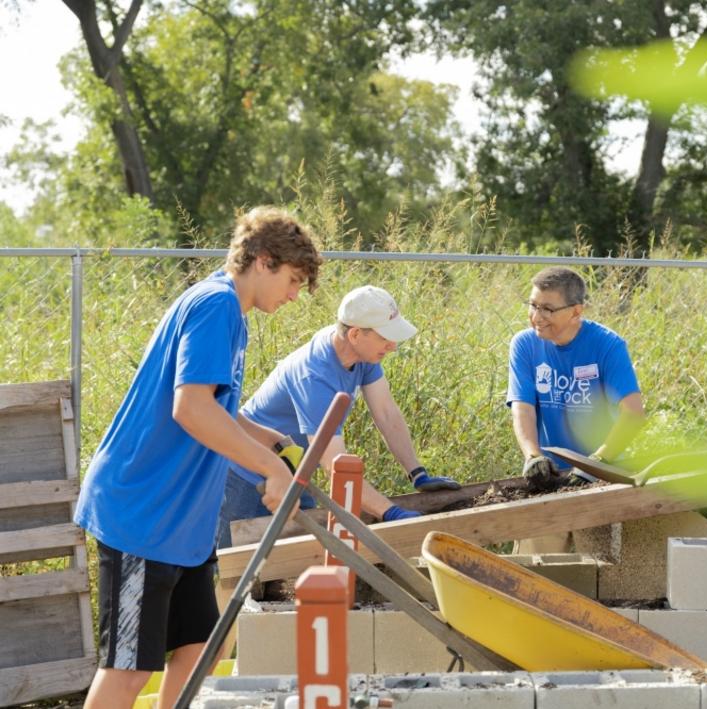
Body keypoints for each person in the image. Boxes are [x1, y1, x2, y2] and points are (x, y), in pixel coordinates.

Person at [74, 207, 322, 708]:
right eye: (293, 281)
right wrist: (268, 467)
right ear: (263, 260)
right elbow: (190, 409)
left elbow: (219, 409)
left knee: (203, 647)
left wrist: (276, 443)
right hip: (142, 511)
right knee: (129, 667)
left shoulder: (229, 313)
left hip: (180, 522)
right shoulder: (216, 306)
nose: (294, 295)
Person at [216, 285, 460, 550]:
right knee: (234, 569)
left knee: (291, 567)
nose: (393, 346)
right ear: (355, 334)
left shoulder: (359, 354)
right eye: (385, 338)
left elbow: (386, 412)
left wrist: (417, 473)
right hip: (246, 476)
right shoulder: (315, 376)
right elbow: (334, 465)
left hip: (292, 474)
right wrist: (391, 512)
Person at [507, 266, 646, 490]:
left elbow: (634, 414)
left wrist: (596, 464)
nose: (537, 317)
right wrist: (533, 457)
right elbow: (523, 408)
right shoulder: (524, 344)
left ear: (576, 311)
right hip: (553, 472)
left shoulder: (608, 345)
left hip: (605, 468)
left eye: (548, 309)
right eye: (533, 305)